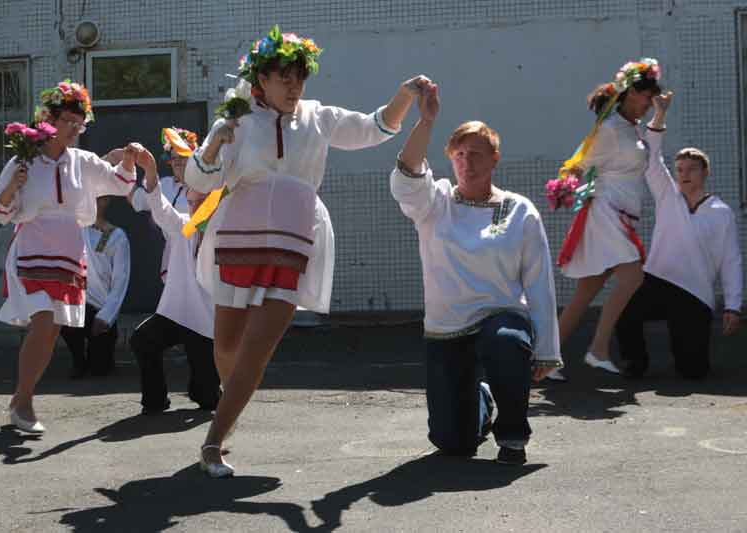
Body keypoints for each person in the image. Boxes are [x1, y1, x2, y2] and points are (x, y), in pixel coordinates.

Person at [184, 26, 424, 477]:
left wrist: (405, 95)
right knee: (227, 344)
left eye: (299, 78)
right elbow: (199, 183)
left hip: (295, 240)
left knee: (258, 347)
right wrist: (215, 141)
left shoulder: (318, 116)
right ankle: (231, 403)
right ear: (261, 81)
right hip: (238, 239)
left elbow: (375, 127)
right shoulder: (237, 123)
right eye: (284, 78)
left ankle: (213, 442)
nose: (294, 87)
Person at [390, 81, 562, 465]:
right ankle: (481, 400)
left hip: (501, 316)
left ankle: (513, 435)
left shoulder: (518, 210)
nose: (468, 162)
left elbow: (538, 282)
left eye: (478, 154)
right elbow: (405, 177)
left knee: (504, 341)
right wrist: (426, 121)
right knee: (453, 443)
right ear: (450, 158)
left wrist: (548, 349)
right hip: (446, 327)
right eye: (460, 154)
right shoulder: (434, 203)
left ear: (495, 159)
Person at [0, 79, 150, 433]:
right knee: (44, 321)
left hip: (70, 251)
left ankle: (20, 398)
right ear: (49, 119)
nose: (75, 129)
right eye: (69, 121)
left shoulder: (84, 161)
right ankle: (25, 401)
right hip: (32, 248)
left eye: (80, 122)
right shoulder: (24, 160)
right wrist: (14, 185)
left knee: (51, 329)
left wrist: (129, 160)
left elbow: (120, 185)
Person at [615, 92, 743, 379]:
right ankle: (635, 365)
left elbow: (731, 261)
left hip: (695, 294)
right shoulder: (667, 195)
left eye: (692, 169)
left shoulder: (721, 212)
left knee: (692, 371)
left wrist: (733, 306)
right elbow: (652, 156)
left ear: (705, 172)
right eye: (680, 170)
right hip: (658, 280)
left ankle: (689, 357)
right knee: (622, 310)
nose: (684, 174)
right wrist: (660, 114)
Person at [552, 59, 663, 379]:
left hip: (621, 213)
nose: (648, 101)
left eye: (651, 96)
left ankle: (543, 361)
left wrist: (660, 115)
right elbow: (580, 161)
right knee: (633, 276)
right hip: (606, 212)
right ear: (629, 93)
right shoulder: (611, 128)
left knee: (587, 290)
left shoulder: (631, 127)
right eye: (645, 96)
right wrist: (565, 184)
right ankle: (598, 349)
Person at [129, 150, 222, 414]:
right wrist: (149, 171)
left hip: (206, 323)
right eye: (191, 198)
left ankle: (207, 390)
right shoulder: (183, 227)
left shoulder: (224, 234)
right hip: (175, 314)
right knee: (142, 340)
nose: (192, 202)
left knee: (207, 400)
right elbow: (160, 209)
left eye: (199, 199)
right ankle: (155, 401)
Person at [59, 195, 130, 378]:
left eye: (96, 198)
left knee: (100, 370)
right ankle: (78, 360)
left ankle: (103, 356)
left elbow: (120, 280)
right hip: (77, 303)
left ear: (105, 202)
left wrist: (106, 316)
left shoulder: (115, 235)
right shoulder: (74, 229)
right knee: (64, 320)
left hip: (101, 310)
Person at [130, 127, 198, 283]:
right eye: (174, 158)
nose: (178, 162)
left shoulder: (204, 186)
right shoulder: (165, 185)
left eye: (183, 157)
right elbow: (137, 199)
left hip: (200, 252)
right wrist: (122, 174)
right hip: (174, 255)